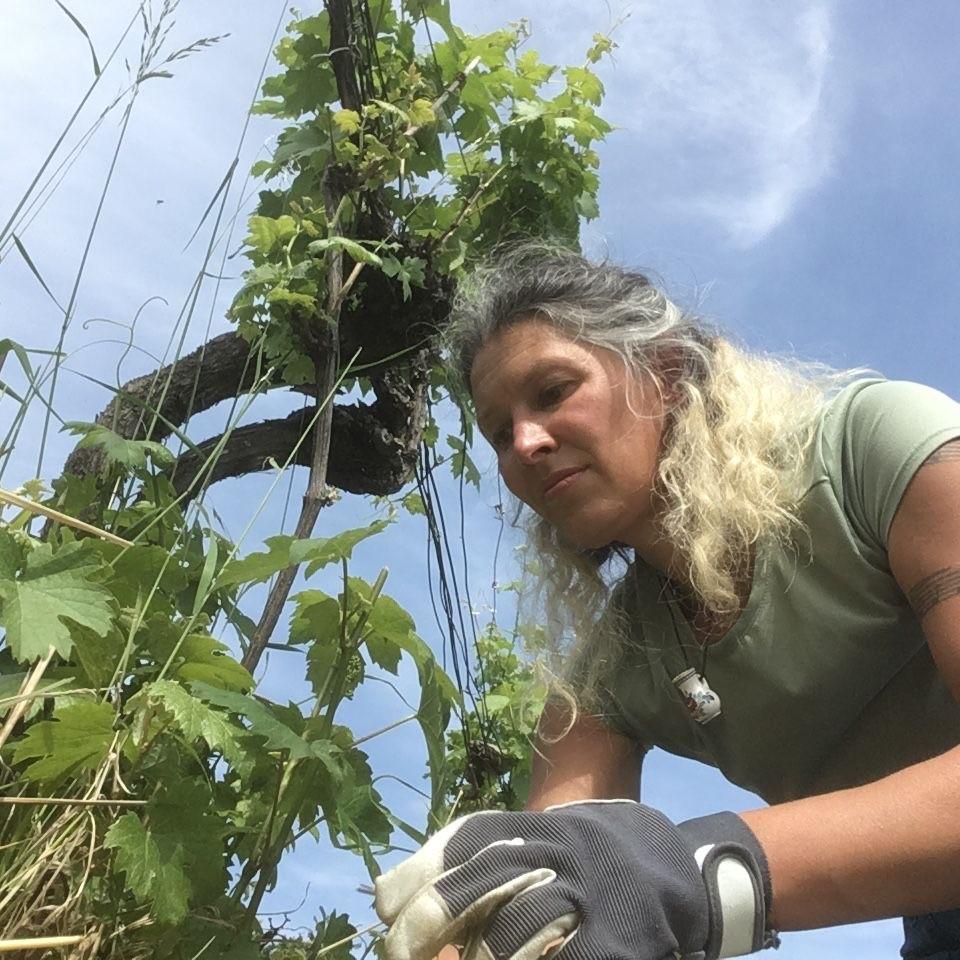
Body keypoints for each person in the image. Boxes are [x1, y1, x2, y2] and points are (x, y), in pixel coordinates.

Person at [374, 245, 960, 960]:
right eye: (499, 432)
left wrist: (699, 874)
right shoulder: (604, 679)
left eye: (553, 391)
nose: (524, 442)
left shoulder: (880, 454)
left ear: (668, 374)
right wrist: (501, 927)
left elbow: (650, 884)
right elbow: (562, 886)